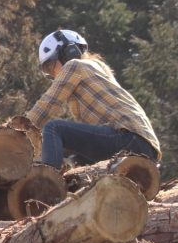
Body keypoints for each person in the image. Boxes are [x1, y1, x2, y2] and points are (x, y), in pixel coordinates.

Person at [23, 29, 160, 168]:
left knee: (54, 128)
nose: (53, 73)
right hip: (144, 148)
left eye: (51, 66)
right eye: (47, 71)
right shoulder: (96, 69)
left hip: (127, 138)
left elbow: (47, 105)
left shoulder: (75, 66)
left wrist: (17, 132)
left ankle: (46, 178)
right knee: (73, 156)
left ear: (69, 52)